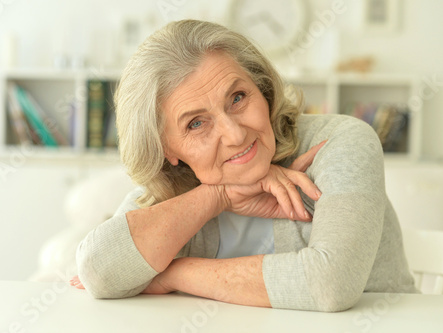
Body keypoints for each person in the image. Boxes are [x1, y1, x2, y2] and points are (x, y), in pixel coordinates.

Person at [70, 19, 417, 312]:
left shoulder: (340, 141)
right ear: (166, 151)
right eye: (196, 124)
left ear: (262, 90)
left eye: (238, 98)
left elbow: (330, 283)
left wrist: (174, 273)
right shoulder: (173, 188)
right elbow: (99, 272)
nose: (235, 134)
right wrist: (217, 196)